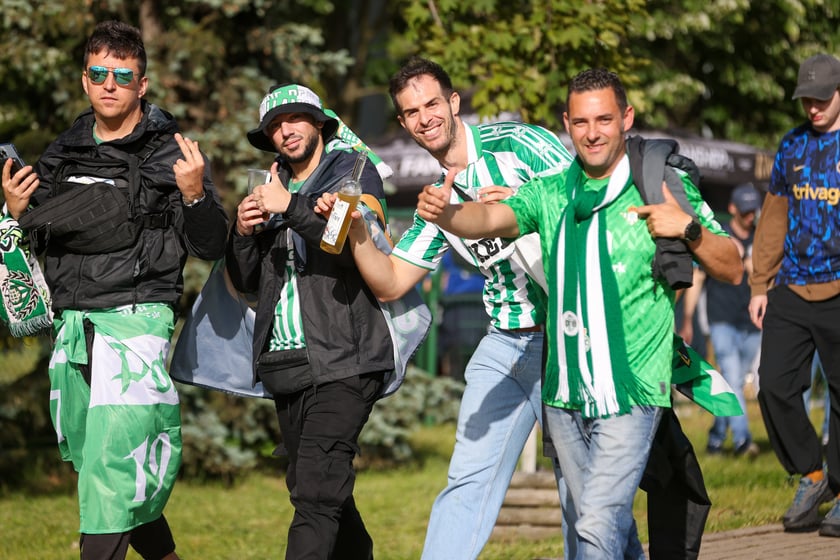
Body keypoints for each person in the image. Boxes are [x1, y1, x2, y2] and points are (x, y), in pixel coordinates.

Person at [417, 67, 742, 558]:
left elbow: (734, 266)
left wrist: (689, 230)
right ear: (567, 125)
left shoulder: (660, 185)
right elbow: (490, 218)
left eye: (605, 119)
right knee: (606, 527)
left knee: (594, 524)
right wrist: (447, 214)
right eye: (582, 122)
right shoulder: (550, 192)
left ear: (626, 118)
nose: (593, 132)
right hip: (564, 392)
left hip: (632, 389)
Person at [318, 56, 574, 560]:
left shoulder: (520, 143)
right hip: (507, 344)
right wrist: (355, 233)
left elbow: (587, 205)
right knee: (466, 482)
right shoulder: (436, 200)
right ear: (403, 123)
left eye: (432, 103)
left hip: (569, 335)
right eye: (412, 112)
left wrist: (525, 203)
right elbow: (391, 282)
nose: (425, 117)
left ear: (454, 103)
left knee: (582, 488)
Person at [1, 20, 228, 560]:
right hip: (74, 324)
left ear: (142, 84)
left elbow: (212, 244)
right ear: (84, 79)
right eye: (99, 73)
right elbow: (39, 229)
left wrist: (195, 196)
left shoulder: (170, 152)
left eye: (122, 76)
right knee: (98, 459)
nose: (109, 85)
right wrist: (16, 212)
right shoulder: (63, 151)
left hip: (135, 321)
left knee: (109, 467)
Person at [225, 83, 393, 559]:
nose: (285, 131)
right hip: (287, 362)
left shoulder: (352, 173)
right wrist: (241, 230)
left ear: (319, 122)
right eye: (274, 126)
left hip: (345, 357)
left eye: (294, 119)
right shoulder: (272, 181)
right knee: (319, 486)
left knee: (316, 493)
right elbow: (245, 278)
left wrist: (290, 208)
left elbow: (345, 244)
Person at [748, 52, 840, 537]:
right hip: (792, 286)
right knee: (774, 387)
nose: (814, 108)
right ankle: (813, 473)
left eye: (822, 98)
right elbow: (774, 217)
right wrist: (760, 283)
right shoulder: (793, 146)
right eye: (807, 99)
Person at [703, 183, 762, 457]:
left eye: (754, 210)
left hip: (752, 323)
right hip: (722, 318)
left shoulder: (762, 240)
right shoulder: (719, 236)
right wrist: (687, 320)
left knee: (730, 383)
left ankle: (716, 436)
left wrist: (751, 263)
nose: (751, 216)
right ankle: (742, 440)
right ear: (732, 209)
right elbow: (698, 276)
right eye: (746, 211)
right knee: (735, 380)